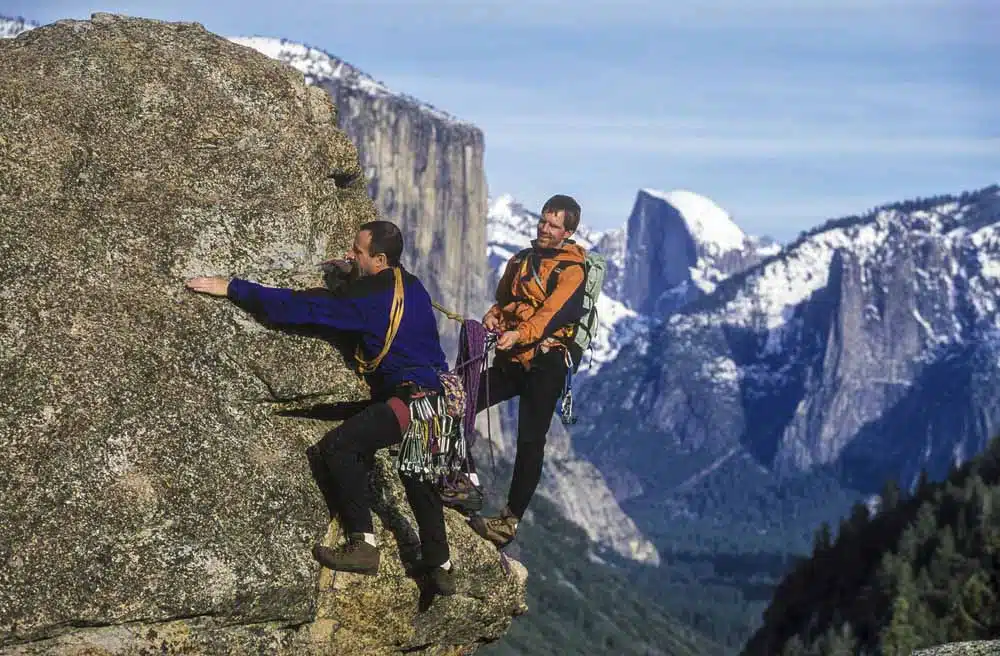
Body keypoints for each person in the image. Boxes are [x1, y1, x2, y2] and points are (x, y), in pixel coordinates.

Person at [185, 220, 456, 595]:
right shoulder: (412, 284)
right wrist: (353, 276)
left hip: (408, 399)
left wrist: (234, 287)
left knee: (340, 447)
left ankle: (363, 544)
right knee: (418, 477)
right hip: (438, 402)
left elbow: (305, 307)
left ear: (379, 258)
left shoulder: (366, 300)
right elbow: (374, 296)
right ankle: (441, 566)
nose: (350, 254)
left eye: (357, 252)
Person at [466, 194, 587, 548]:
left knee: (530, 441)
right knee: (463, 395)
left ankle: (508, 521)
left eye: (553, 225)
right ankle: (455, 476)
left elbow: (550, 316)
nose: (544, 229)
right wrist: (495, 316)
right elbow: (505, 302)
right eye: (542, 221)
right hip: (514, 356)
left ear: (568, 231)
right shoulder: (520, 261)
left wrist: (518, 332)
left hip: (547, 362)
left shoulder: (572, 271)